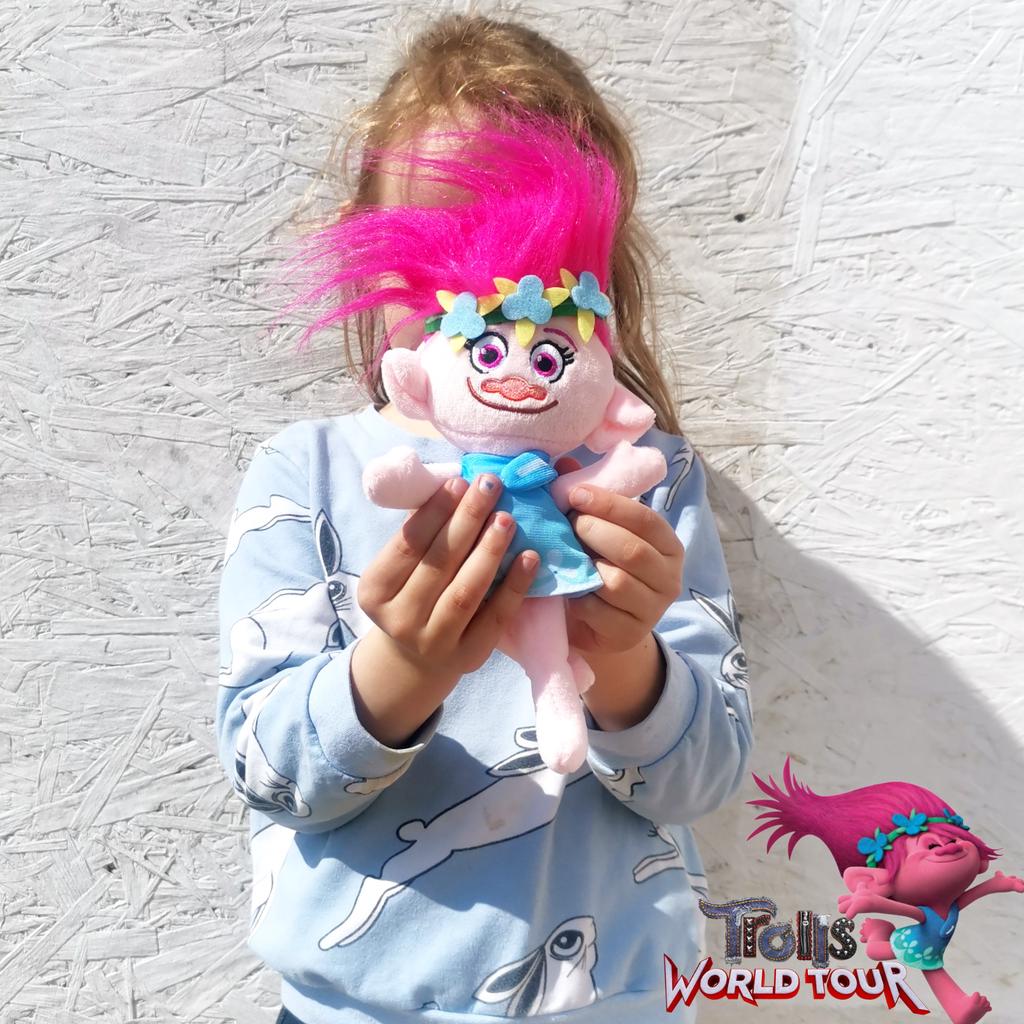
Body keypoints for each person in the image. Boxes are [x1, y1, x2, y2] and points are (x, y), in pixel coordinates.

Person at [215, 14, 754, 1024]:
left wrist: (624, 661)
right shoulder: (309, 473)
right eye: (437, 245)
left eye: (526, 243)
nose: (488, 290)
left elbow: (706, 775)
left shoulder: (649, 480)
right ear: (370, 248)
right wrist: (400, 669)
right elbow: (266, 768)